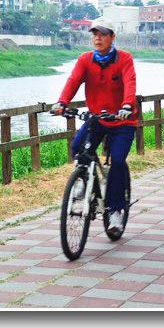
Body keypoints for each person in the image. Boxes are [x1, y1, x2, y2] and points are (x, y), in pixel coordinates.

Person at [52, 16, 137, 236]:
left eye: (103, 34)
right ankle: (82, 179)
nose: (97, 38)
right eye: (94, 34)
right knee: (78, 147)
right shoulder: (85, 59)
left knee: (117, 161)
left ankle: (116, 211)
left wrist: (127, 104)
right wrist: (62, 102)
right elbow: (73, 81)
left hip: (122, 120)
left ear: (112, 37)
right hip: (97, 118)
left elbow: (129, 82)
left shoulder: (124, 59)